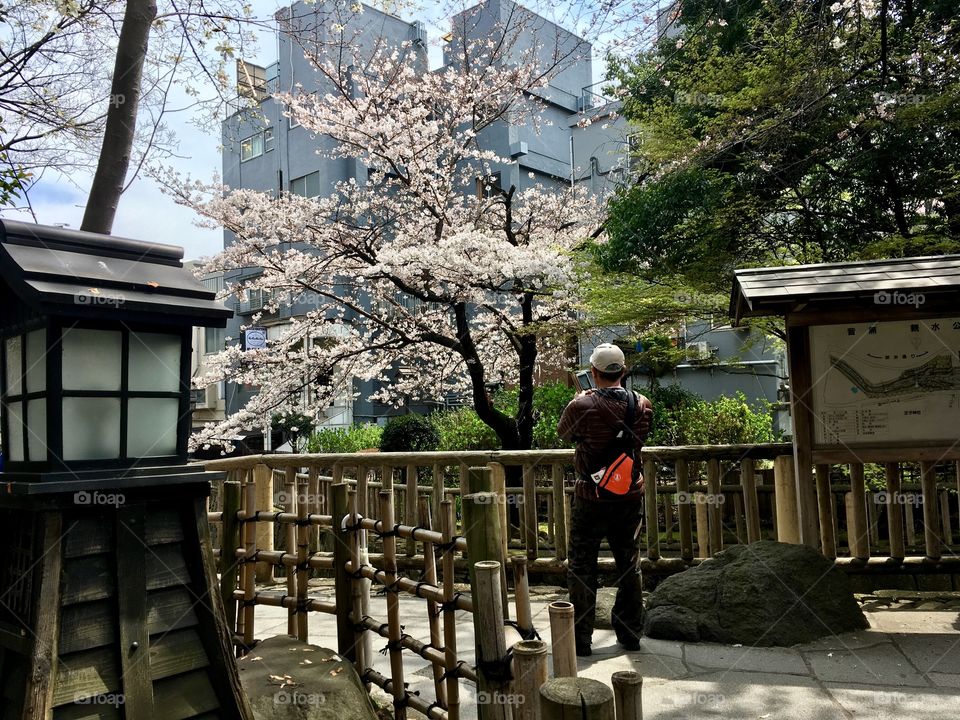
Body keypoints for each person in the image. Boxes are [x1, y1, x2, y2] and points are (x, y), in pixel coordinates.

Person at [557, 343, 653, 656]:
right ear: (623, 371)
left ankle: (581, 640)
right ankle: (630, 634)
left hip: (590, 496)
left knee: (583, 564)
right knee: (629, 562)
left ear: (594, 373)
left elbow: (564, 433)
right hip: (629, 496)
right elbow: (639, 440)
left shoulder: (581, 405)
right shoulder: (643, 405)